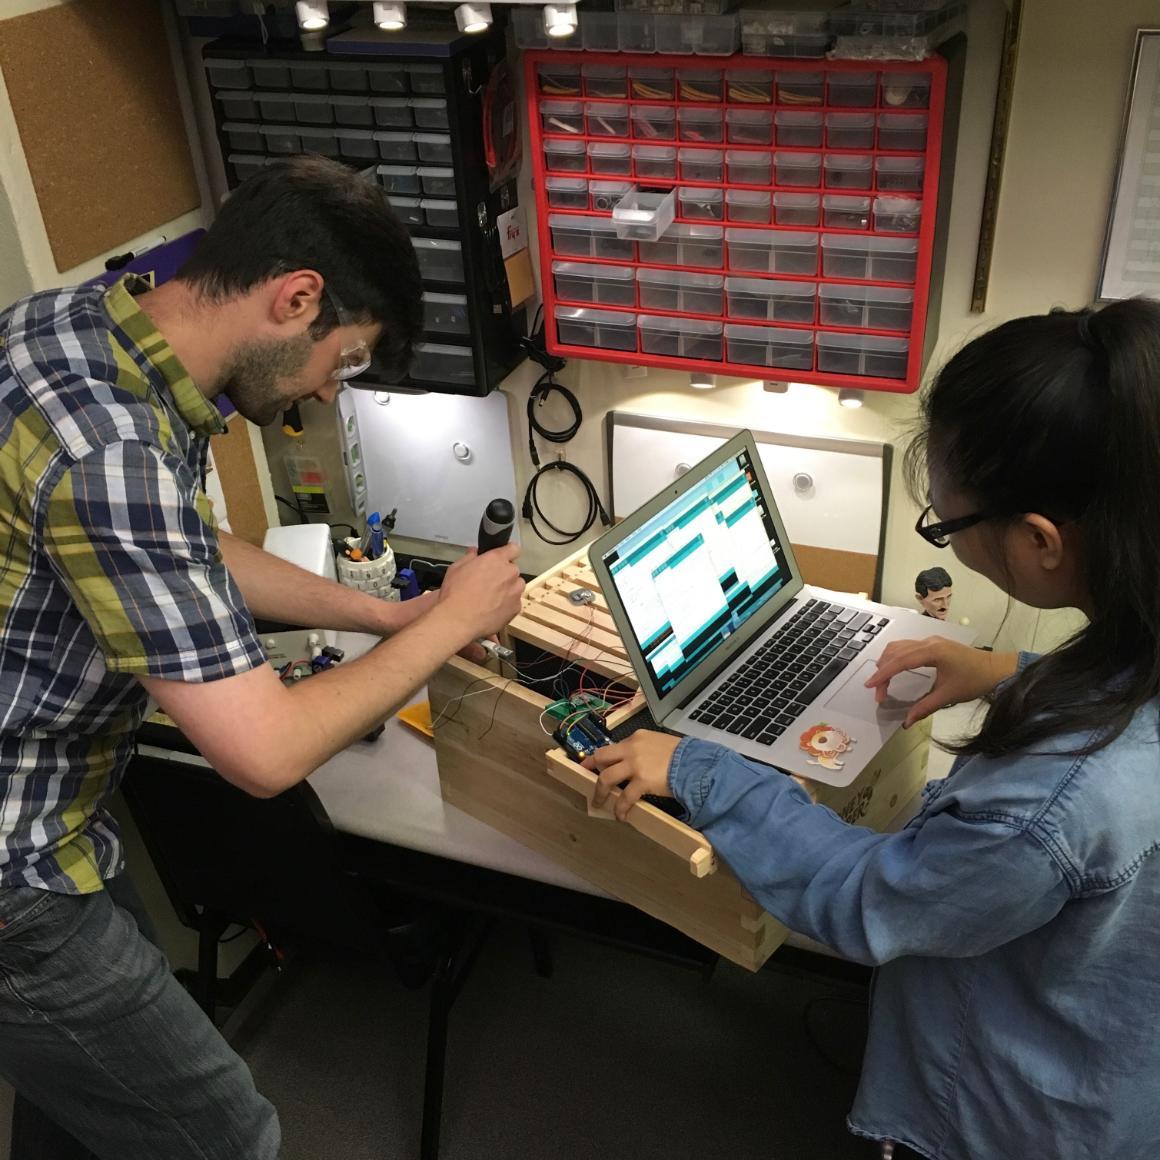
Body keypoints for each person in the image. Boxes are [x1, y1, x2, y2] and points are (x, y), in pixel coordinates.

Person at [0, 156, 524, 1159]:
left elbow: (193, 550)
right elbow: (264, 750)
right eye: (346, 360)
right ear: (296, 298)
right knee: (227, 1134)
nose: (326, 393)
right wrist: (455, 624)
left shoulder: (90, 328)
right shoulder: (111, 446)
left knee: (82, 1096)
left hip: (50, 809)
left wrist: (391, 620)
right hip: (14, 861)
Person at [586, 299, 1160, 1159]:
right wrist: (1007, 672)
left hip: (1014, 1123)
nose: (946, 538)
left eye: (948, 525)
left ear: (1042, 539)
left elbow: (868, 901)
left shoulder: (1044, 809)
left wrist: (703, 770)